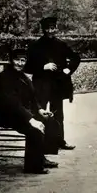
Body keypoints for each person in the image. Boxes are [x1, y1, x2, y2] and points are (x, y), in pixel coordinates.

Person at [0, 49, 60, 174]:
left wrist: (40, 110)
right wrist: (31, 119)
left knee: (50, 121)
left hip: (20, 113)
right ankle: (32, 167)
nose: (19, 63)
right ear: (11, 60)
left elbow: (33, 97)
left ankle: (40, 157)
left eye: (22, 60)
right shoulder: (5, 77)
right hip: (8, 116)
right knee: (34, 130)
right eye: (16, 60)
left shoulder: (22, 76)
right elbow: (12, 104)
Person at [24, 15, 80, 150]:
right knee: (39, 112)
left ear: (56, 28)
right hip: (40, 85)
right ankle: (40, 143)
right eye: (47, 28)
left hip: (57, 85)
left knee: (58, 114)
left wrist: (68, 69)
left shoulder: (61, 44)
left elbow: (75, 58)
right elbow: (27, 66)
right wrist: (43, 67)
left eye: (53, 28)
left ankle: (59, 141)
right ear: (43, 29)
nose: (50, 31)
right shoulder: (35, 46)